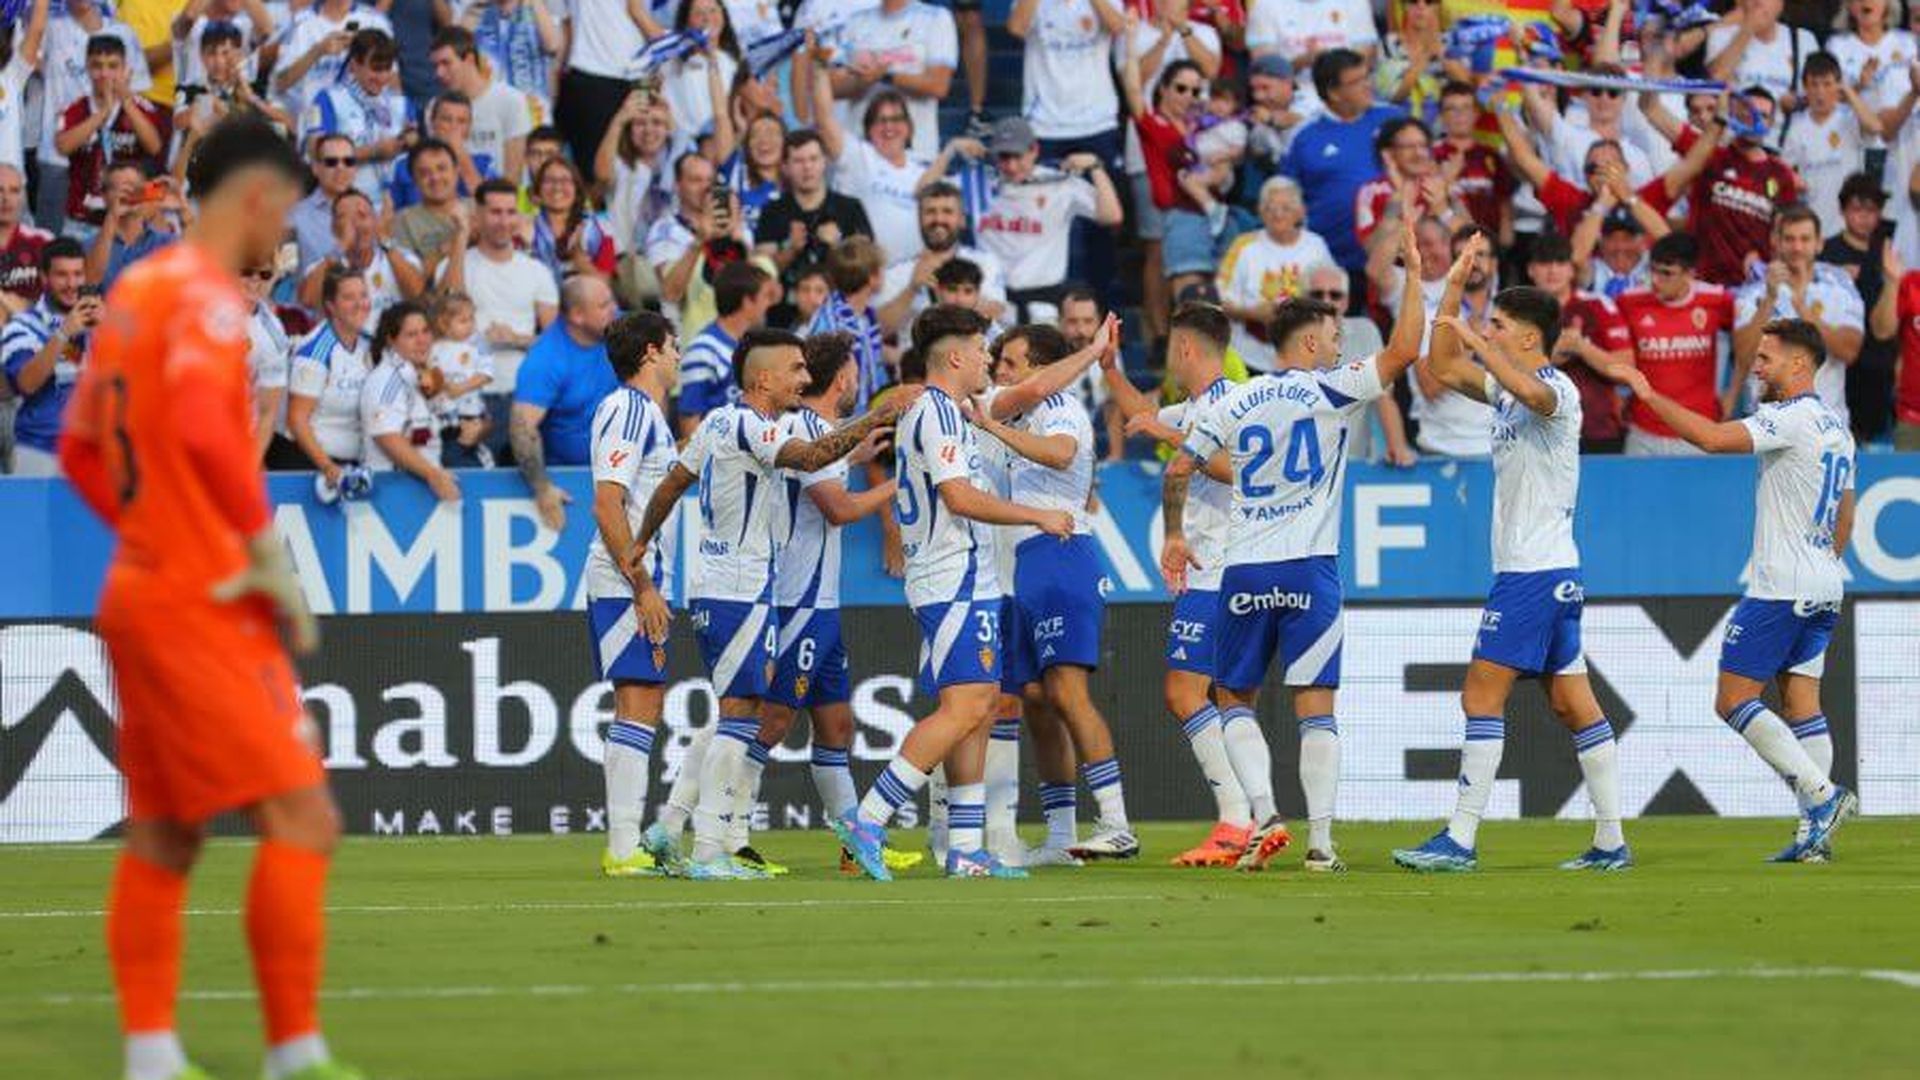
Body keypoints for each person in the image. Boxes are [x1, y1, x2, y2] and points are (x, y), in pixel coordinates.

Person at [57, 111, 358, 1080]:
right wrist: (255, 545)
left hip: (137, 589)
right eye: (287, 214)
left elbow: (76, 449)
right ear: (258, 195)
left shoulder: (133, 291)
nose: (285, 238)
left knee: (167, 832)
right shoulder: (209, 302)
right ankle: (294, 1055)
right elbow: (200, 428)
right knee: (304, 819)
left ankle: (151, 1054)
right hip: (201, 594)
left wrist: (150, 533)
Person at [1162, 218, 1428, 874]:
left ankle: (1264, 813)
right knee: (1316, 709)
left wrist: (1173, 536)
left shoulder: (1238, 398)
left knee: (1233, 701)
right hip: (1310, 568)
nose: (1339, 344)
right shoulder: (1330, 388)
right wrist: (1416, 274)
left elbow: (1178, 468)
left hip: (1244, 568)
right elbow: (1404, 351)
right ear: (1310, 341)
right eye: (1335, 336)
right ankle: (1321, 844)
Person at [624, 328, 916, 880]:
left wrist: (642, 540)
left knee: (740, 715)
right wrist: (877, 417)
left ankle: (672, 829)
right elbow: (808, 458)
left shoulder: (714, 422)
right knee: (742, 721)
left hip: (720, 584)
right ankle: (711, 848)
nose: (803, 381)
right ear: (763, 379)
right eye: (795, 371)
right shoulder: (753, 425)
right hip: (742, 588)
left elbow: (669, 486)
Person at [1391, 251, 1630, 873]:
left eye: (1497, 324)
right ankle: (1611, 842)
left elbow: (1531, 389)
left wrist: (1480, 344)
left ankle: (1461, 839)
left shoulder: (1561, 391)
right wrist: (1450, 290)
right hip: (1548, 573)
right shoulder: (1506, 392)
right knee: (1574, 706)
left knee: (1479, 697)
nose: (1487, 330)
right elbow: (1441, 365)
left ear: (1528, 336)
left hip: (1534, 573)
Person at [1604, 318, 1859, 862]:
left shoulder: (1788, 418)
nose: (1756, 366)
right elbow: (1846, 516)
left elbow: (1711, 438)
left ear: (1798, 364)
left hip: (1780, 585)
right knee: (1801, 703)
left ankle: (1822, 796)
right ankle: (1812, 838)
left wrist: (1649, 394)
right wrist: (1822, 563)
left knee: (1733, 699)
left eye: (1767, 358)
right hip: (1825, 581)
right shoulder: (1838, 427)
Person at [835, 306, 1073, 882]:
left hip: (966, 577)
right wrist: (1036, 515)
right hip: (952, 577)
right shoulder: (938, 414)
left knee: (982, 707)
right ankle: (868, 818)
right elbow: (960, 499)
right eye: (983, 347)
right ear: (957, 356)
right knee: (963, 707)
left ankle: (965, 847)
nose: (989, 357)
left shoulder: (945, 413)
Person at [1097, 302, 1269, 866]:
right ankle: (1251, 817)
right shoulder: (1196, 407)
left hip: (1220, 567)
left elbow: (1240, 472)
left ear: (1187, 349)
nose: (1169, 357)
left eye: (1172, 347)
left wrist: (1177, 439)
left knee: (1184, 693)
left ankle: (1236, 820)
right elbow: (1145, 414)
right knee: (1222, 698)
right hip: (1213, 570)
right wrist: (1110, 368)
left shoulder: (1229, 405)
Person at [967, 320, 1138, 862]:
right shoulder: (1014, 410)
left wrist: (996, 432)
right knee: (1036, 701)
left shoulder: (1058, 407)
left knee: (1067, 693)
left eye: (1011, 363)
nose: (1001, 373)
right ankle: (1062, 837)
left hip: (1063, 554)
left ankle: (1116, 823)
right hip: (1026, 564)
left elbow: (1062, 455)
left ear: (1040, 367)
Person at [747, 332, 910, 873]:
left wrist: (860, 449)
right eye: (854, 370)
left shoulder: (822, 432)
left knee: (836, 726)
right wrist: (901, 484)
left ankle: (855, 847)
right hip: (799, 600)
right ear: (843, 377)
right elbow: (837, 508)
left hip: (824, 602)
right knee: (771, 722)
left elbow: (832, 469)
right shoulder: (805, 429)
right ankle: (725, 831)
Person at [589, 309, 682, 878]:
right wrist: (641, 583)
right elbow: (608, 502)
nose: (677, 355)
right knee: (639, 699)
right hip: (624, 580)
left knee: (645, 700)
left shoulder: (648, 413)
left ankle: (626, 845)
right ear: (649, 352)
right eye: (672, 346)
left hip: (637, 578)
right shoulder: (627, 409)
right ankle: (622, 848)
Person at [441, 178, 560, 453]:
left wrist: (516, 338)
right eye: (495, 212)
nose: (504, 220)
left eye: (510, 212)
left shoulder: (536, 271)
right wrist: (460, 237)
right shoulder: (457, 264)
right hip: (468, 396)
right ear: (478, 217)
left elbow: (556, 341)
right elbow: (447, 307)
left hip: (524, 395)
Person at [963, 117, 1124, 319]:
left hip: (1044, 304)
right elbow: (924, 196)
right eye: (1004, 157)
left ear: (1034, 151)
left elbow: (1112, 216)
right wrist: (949, 151)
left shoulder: (1060, 183)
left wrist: (1096, 168)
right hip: (991, 303)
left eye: (1018, 156)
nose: (1012, 166)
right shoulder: (978, 183)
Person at [1281, 48, 1401, 306]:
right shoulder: (1303, 137)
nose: (1368, 84)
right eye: (1357, 81)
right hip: (1333, 266)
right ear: (1334, 93)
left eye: (1367, 75)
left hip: (1395, 260)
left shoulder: (1394, 119)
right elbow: (1287, 198)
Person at [1732, 204, 1866, 423]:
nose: (1797, 247)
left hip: (1826, 424)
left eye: (1805, 239)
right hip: (1769, 426)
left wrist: (1802, 307)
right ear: (1777, 242)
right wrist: (1769, 300)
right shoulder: (1754, 289)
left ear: (1819, 243)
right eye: (1790, 239)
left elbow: (1849, 351)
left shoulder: (1840, 285)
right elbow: (1744, 358)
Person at [510, 276, 620, 530]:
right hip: (573, 481)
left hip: (625, 472)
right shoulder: (546, 359)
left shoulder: (623, 328)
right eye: (604, 305)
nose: (614, 308)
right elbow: (521, 427)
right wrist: (542, 489)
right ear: (578, 316)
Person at [1614, 231, 1739, 456]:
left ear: (1690, 274)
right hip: (1644, 430)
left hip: (1699, 431)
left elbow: (1748, 341)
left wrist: (1734, 390)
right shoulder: (1629, 301)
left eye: (1666, 274)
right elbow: (1617, 353)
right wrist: (1617, 392)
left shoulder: (1717, 300)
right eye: (1652, 270)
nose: (1655, 280)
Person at [1525, 233, 1634, 454]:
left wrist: (1581, 347)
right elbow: (1508, 372)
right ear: (1531, 270)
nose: (1553, 270)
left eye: (1560, 262)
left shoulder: (1598, 306)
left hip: (1598, 431)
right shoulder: (1516, 313)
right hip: (1537, 435)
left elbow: (1626, 369)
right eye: (1545, 263)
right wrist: (1556, 351)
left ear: (1571, 270)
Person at [56, 34, 170, 237]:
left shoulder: (142, 107)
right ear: (88, 69)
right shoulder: (75, 108)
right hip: (81, 220)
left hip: (129, 219)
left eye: (112, 66)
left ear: (125, 69)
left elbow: (155, 147)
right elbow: (62, 147)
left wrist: (126, 103)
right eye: (97, 66)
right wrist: (101, 114)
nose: (105, 73)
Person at [1215, 176, 1332, 372]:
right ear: (1260, 212)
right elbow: (1221, 302)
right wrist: (1252, 313)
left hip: (1304, 359)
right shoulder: (1244, 246)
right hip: (1251, 359)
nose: (1277, 214)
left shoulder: (1316, 246)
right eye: (1270, 208)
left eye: (1285, 208)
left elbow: (1332, 296)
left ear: (1300, 213)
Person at [2, 238, 96, 475]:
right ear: (44, 278)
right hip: (37, 452)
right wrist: (63, 333)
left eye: (77, 274)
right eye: (62, 275)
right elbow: (26, 383)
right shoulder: (22, 326)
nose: (71, 283)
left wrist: (107, 334)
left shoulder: (100, 323)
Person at [752, 129, 874, 306]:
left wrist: (838, 246)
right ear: (785, 167)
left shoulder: (850, 208)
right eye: (798, 161)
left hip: (842, 312)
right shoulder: (772, 211)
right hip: (785, 317)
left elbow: (868, 270)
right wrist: (790, 250)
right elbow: (761, 274)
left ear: (825, 162)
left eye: (813, 159)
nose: (807, 167)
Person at [827, 0, 957, 161]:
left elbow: (939, 85)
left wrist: (886, 76)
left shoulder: (936, 18)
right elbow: (833, 88)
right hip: (861, 156)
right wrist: (864, 81)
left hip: (916, 153)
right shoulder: (855, 22)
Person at [877, 181, 1009, 335]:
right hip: (915, 357)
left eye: (947, 211)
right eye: (930, 212)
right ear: (919, 218)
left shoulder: (985, 262)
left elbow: (996, 311)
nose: (938, 219)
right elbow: (880, 329)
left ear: (962, 220)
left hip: (971, 355)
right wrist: (911, 289)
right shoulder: (897, 272)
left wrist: (949, 291)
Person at [360, 300, 460, 501]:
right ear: (391, 340)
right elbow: (386, 437)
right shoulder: (387, 379)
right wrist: (433, 475)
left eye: (425, 331)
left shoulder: (421, 375)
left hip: (420, 487)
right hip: (393, 490)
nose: (422, 340)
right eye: (411, 335)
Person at [285, 266, 374, 486]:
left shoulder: (368, 344)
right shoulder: (316, 351)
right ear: (331, 306)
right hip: (313, 467)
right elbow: (297, 420)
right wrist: (327, 466)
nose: (359, 304)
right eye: (348, 298)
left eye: (363, 295)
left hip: (355, 464)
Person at [298, 29, 409, 201]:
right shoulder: (328, 99)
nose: (383, 77)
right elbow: (316, 153)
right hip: (344, 205)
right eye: (376, 69)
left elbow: (414, 145)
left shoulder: (399, 103)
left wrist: (410, 139)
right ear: (354, 65)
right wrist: (372, 152)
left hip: (394, 206)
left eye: (387, 69)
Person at [1781, 52, 1881, 238]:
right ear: (1805, 87)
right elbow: (1784, 171)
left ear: (1838, 85)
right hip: (1814, 227)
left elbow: (1875, 128)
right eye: (1814, 85)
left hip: (1849, 228)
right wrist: (1794, 180)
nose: (1820, 92)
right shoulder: (1797, 126)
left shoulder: (1849, 117)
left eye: (1827, 84)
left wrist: (1850, 92)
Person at [297, 189, 427, 331]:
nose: (356, 224)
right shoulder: (323, 266)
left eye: (362, 215)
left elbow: (417, 293)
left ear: (375, 221)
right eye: (345, 217)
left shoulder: (400, 257)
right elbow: (307, 300)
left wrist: (384, 239)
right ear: (334, 229)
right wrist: (341, 247)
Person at [429, 26, 533, 186]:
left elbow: (513, 179)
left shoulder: (511, 101)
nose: (439, 73)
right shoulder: (434, 107)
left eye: (446, 63)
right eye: (435, 66)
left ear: (469, 60)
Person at [678, 259, 772, 436]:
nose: (769, 304)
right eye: (765, 296)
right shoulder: (703, 351)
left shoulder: (754, 347)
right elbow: (689, 422)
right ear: (747, 301)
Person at [806, 235, 890, 410]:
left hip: (867, 417)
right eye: (882, 269)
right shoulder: (831, 324)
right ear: (872, 277)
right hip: (838, 424)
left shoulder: (867, 317)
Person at [427, 291, 494, 468]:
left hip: (470, 414)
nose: (470, 325)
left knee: (464, 451)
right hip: (441, 417)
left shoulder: (478, 342)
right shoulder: (434, 347)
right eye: (463, 321)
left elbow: (486, 374)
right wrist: (440, 384)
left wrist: (462, 388)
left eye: (472, 318)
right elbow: (430, 375)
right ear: (443, 324)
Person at [529, 157, 617, 286]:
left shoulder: (601, 230)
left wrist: (578, 257)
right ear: (537, 191)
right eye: (549, 181)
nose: (557, 187)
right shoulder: (523, 228)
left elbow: (605, 286)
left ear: (577, 190)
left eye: (565, 181)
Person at [293, 135, 360, 272]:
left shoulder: (372, 213)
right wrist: (341, 247)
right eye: (331, 162)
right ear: (315, 168)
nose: (341, 167)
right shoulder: (294, 217)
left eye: (348, 161)